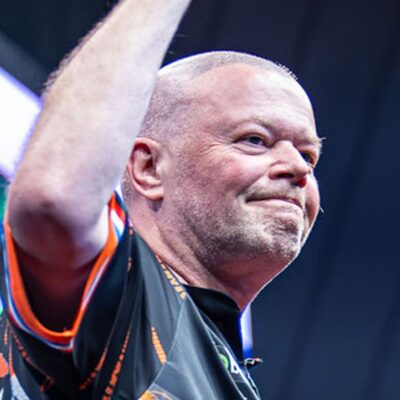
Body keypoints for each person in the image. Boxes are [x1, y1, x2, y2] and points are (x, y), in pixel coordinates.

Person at [0, 0, 322, 398]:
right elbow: (54, 195)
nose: (298, 167)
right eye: (255, 140)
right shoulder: (125, 302)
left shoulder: (215, 360)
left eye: (309, 155)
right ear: (149, 168)